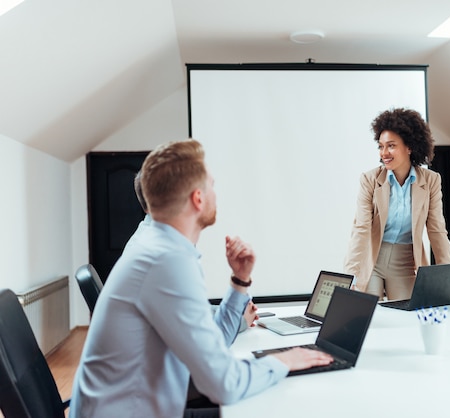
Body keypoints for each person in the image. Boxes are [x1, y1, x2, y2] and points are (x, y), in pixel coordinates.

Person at [70, 139, 333, 418]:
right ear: (198, 198)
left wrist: (239, 280)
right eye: (213, 186)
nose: (215, 194)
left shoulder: (160, 248)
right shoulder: (166, 261)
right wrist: (285, 360)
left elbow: (214, 343)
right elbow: (223, 384)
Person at [344, 108, 450, 301]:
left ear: (410, 146)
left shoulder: (431, 181)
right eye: (381, 146)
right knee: (371, 316)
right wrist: (350, 275)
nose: (384, 153)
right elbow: (360, 229)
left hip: (405, 262)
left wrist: (449, 283)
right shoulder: (370, 179)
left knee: (405, 317)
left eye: (391, 146)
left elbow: (437, 231)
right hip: (372, 259)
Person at [130, 170, 258, 331]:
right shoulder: (163, 256)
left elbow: (193, 312)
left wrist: (239, 287)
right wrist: (241, 321)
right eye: (209, 186)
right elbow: (203, 336)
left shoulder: (158, 240)